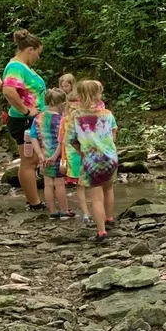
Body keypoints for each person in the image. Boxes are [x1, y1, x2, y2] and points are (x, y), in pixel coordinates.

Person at [64, 80, 118, 242]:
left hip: (91, 160)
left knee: (96, 197)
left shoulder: (75, 116)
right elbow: (113, 134)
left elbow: (71, 139)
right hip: (110, 157)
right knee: (108, 188)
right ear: (98, 95)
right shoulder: (107, 114)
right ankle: (109, 218)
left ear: (79, 96)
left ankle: (101, 231)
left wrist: (82, 150)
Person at [1, 29, 47, 210]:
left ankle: (33, 200)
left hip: (30, 120)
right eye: (38, 53)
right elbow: (8, 90)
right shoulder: (15, 67)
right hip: (24, 121)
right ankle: (34, 203)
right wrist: (27, 111)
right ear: (30, 49)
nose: (38, 57)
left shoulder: (22, 67)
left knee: (32, 160)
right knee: (29, 161)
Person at [29, 88, 71, 218]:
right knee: (59, 184)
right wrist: (55, 156)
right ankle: (64, 211)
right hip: (58, 156)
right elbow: (62, 140)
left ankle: (52, 212)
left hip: (44, 155)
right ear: (62, 104)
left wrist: (40, 155)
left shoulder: (37, 118)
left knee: (48, 184)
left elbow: (33, 137)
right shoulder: (61, 120)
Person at [57, 74, 93, 224]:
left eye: (76, 105)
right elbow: (62, 141)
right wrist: (61, 158)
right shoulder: (65, 120)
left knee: (91, 186)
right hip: (75, 157)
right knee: (81, 186)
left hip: (88, 156)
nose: (73, 108)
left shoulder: (87, 116)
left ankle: (95, 211)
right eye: (71, 106)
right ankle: (86, 213)